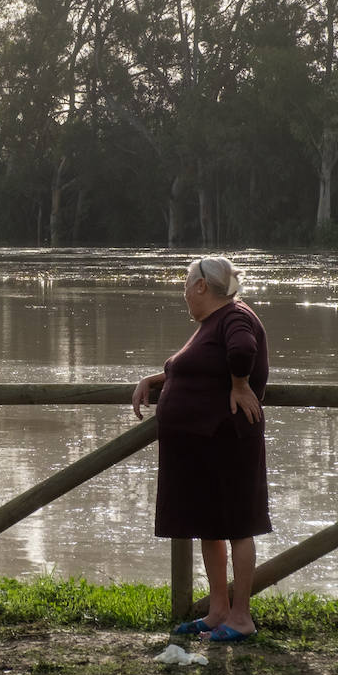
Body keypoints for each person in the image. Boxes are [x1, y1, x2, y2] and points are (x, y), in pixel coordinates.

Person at [131, 256, 269, 643]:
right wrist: (159, 377)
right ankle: (218, 611)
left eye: (186, 282)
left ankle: (241, 617)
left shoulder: (234, 317)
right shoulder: (214, 323)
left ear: (201, 287)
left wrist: (240, 386)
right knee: (211, 528)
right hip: (207, 448)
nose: (183, 291)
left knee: (238, 528)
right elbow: (204, 364)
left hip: (229, 444)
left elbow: (241, 350)